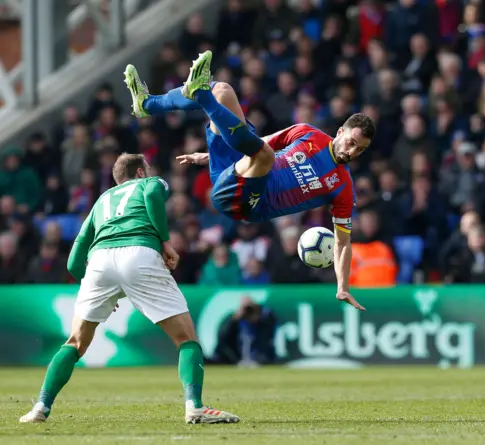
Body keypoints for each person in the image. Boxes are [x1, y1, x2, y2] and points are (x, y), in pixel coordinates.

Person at [124, 51, 376, 310]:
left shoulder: (343, 186)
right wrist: (208, 156)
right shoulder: (307, 133)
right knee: (223, 90)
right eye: (352, 142)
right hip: (234, 169)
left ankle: (200, 96)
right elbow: (262, 142)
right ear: (340, 132)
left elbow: (343, 243)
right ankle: (147, 104)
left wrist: (342, 287)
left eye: (360, 149)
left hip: (247, 202)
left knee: (260, 152)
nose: (353, 151)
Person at [20, 153, 239, 425]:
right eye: (147, 168)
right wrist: (166, 242)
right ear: (139, 173)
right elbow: (152, 198)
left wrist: (96, 286)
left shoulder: (101, 200)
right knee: (186, 339)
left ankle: (40, 406)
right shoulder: (150, 183)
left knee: (75, 342)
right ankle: (195, 407)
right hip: (140, 253)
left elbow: (75, 258)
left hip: (99, 261)